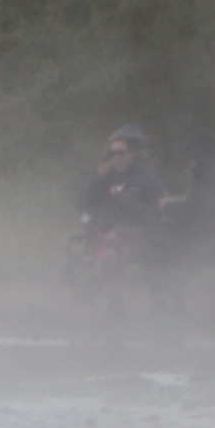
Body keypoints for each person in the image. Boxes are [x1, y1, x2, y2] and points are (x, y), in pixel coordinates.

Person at [148, 130, 215, 321]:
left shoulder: (210, 175)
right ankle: (172, 305)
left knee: (160, 250)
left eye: (191, 157)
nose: (189, 162)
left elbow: (197, 210)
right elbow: (199, 208)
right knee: (162, 244)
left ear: (200, 155)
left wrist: (168, 206)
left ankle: (167, 308)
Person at [75, 124, 165, 306]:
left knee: (116, 239)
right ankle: (113, 305)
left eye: (121, 153)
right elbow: (82, 204)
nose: (115, 157)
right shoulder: (107, 175)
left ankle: (97, 283)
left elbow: (153, 215)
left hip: (138, 237)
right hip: (106, 237)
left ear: (133, 153)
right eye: (112, 153)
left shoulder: (146, 178)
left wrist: (127, 201)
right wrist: (96, 178)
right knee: (110, 240)